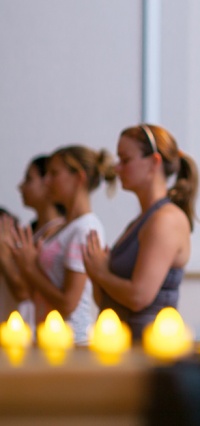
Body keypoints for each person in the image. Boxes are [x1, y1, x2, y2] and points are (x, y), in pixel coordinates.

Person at [83, 124, 198, 339]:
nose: (117, 169)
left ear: (154, 162)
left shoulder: (166, 220)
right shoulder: (139, 222)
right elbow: (110, 300)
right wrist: (97, 273)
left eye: (125, 160)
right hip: (122, 346)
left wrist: (100, 272)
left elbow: (139, 297)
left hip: (149, 353)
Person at [9, 146, 114, 345]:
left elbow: (68, 304)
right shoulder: (66, 228)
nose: (47, 181)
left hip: (72, 344)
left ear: (79, 178)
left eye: (54, 173)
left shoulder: (85, 228)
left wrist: (30, 267)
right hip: (49, 340)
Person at [0, 155, 66, 325]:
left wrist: (4, 253)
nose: (20, 186)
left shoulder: (59, 234)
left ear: (48, 183)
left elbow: (24, 293)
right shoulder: (32, 231)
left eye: (29, 179)